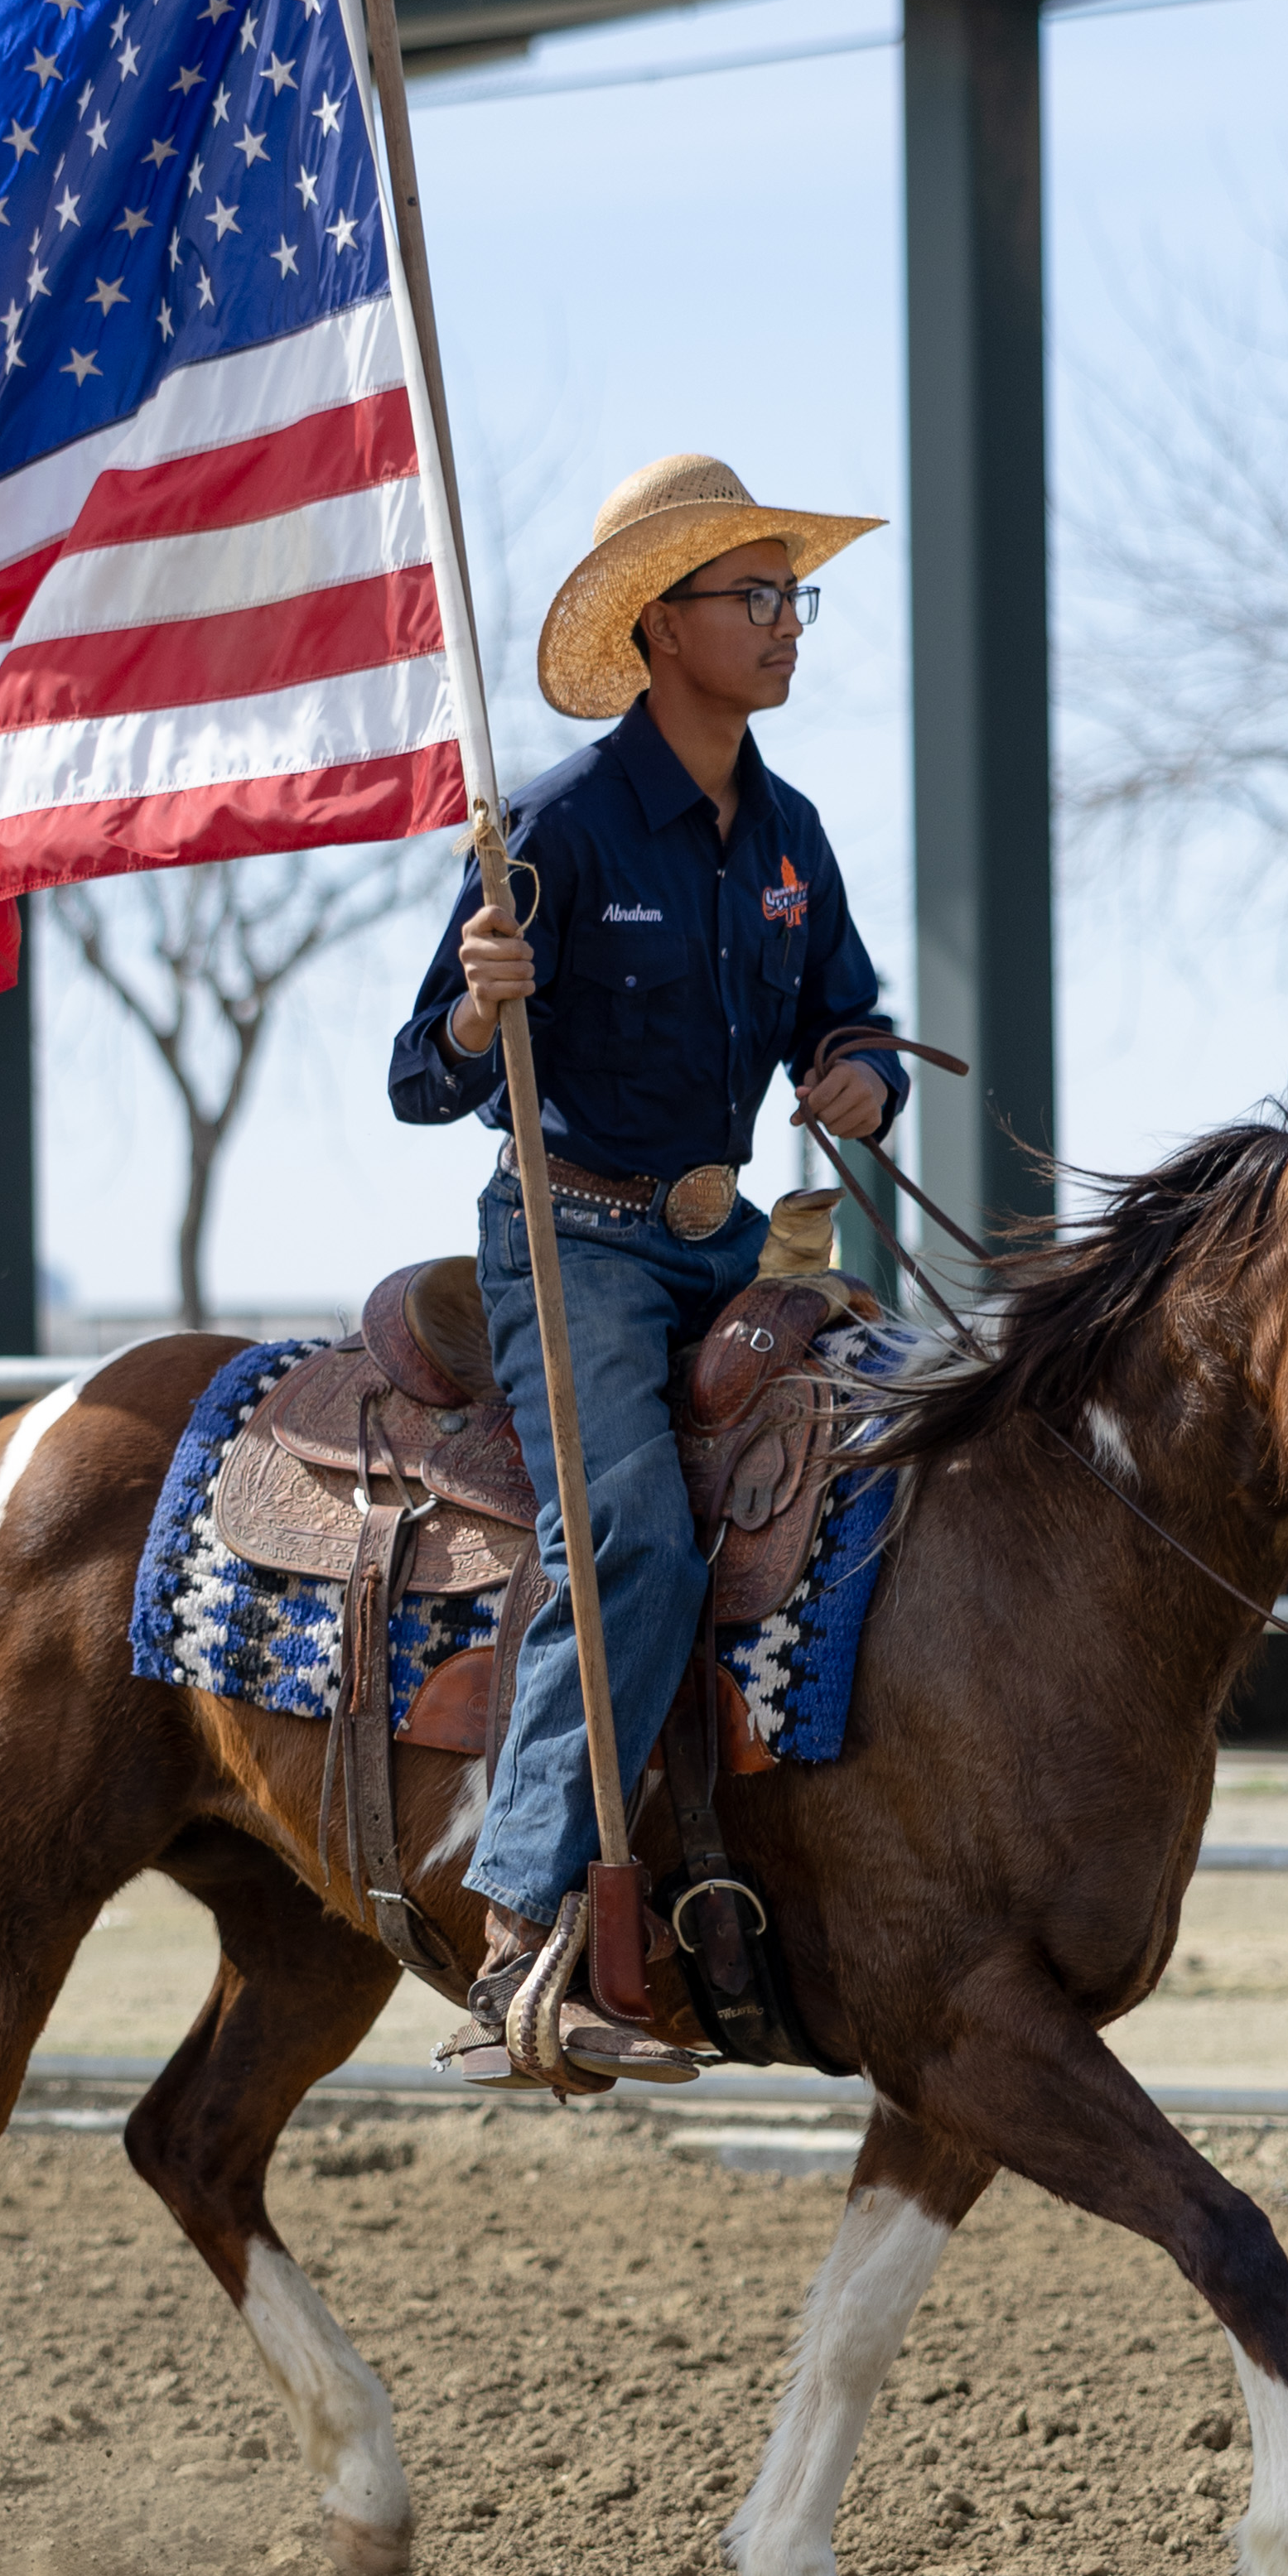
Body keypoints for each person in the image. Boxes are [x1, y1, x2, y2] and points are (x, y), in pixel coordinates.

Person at [388, 451, 908, 2080]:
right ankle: (525, 1928)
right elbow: (418, 1074)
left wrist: (860, 1074)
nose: (784, 626)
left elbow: (852, 1009)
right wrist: (481, 1007)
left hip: (728, 1237)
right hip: (572, 1238)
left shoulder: (787, 833)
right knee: (626, 1540)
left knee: (910, 1440)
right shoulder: (555, 821)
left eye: (790, 594)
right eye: (751, 597)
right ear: (659, 626)